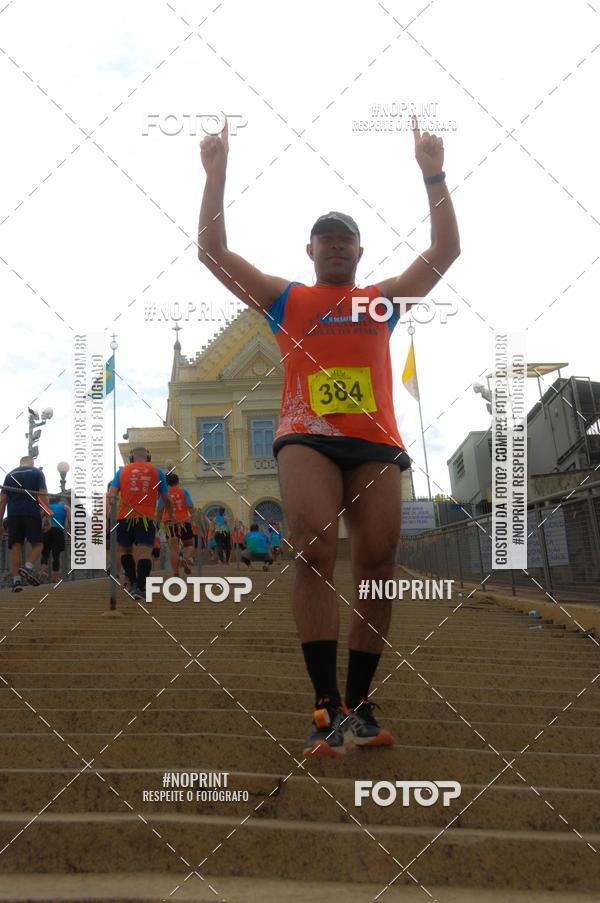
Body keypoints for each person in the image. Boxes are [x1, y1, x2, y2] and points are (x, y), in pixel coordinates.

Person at [198, 115, 460, 755]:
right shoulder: (287, 299)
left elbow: (445, 252)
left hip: (374, 442)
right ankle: (325, 703)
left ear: (361, 253)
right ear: (309, 250)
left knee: (377, 563)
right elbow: (213, 253)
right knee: (313, 548)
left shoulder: (380, 299)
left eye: (347, 239)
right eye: (326, 239)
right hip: (306, 437)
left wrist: (434, 174)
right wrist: (216, 176)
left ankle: (362, 705)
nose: (336, 246)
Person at [108, 447, 172, 600]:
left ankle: (134, 582)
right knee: (144, 553)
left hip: (124, 518)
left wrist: (111, 509)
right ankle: (139, 587)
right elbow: (166, 498)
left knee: (126, 552)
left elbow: (112, 495)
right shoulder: (157, 472)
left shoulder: (121, 472)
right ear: (148, 457)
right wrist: (170, 515)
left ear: (131, 457)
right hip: (145, 518)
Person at [0, 456, 50, 591]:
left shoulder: (10, 475)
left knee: (16, 546)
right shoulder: (37, 473)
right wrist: (47, 517)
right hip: (31, 512)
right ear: (32, 463)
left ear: (20, 463)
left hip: (13, 515)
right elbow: (42, 495)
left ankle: (16, 582)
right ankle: (27, 567)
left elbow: (2, 500)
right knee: (38, 544)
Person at [157, 473, 195, 577]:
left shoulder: (164, 494)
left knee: (174, 548)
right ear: (178, 481)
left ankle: (175, 573)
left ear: (167, 482)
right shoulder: (184, 491)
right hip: (183, 521)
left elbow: (159, 510)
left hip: (169, 523)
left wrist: (157, 523)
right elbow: (190, 506)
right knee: (189, 545)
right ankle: (185, 558)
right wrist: (192, 517)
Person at [39, 496, 70, 583]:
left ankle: (42, 572)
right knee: (56, 555)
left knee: (45, 553)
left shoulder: (47, 507)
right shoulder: (65, 507)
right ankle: (55, 577)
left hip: (47, 531)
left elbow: (40, 518)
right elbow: (71, 520)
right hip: (58, 531)